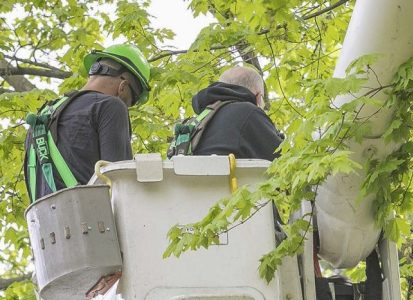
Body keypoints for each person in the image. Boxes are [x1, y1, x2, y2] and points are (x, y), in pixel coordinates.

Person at [23, 43, 151, 202]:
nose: (125, 106)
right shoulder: (110, 106)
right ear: (122, 87)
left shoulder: (42, 118)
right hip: (88, 221)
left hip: (45, 223)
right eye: (128, 102)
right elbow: (121, 181)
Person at [176, 65, 282, 161]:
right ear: (258, 97)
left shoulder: (200, 120)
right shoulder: (248, 112)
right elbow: (282, 159)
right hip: (231, 181)